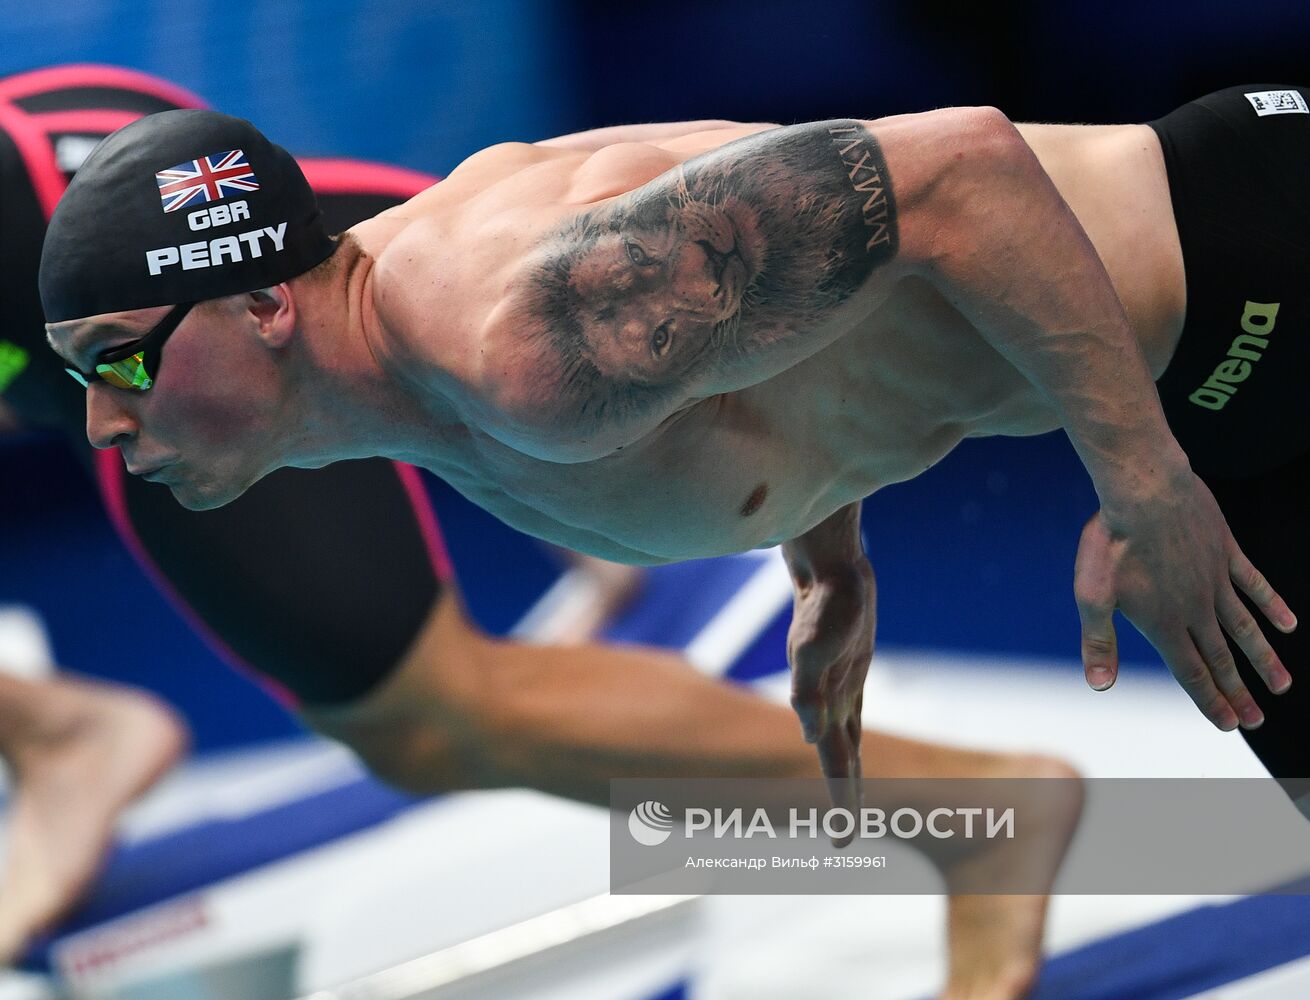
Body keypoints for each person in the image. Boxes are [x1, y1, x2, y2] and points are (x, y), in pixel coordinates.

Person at [1, 67, 1079, 1000]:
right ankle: (49, 728)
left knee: (432, 717)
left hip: (145, 296)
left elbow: (934, 170)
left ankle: (967, 809)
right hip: (104, 269)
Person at [39, 89, 1305, 813]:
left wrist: (1143, 485)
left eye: (122, 358)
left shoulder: (515, 336)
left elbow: (964, 172)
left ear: (261, 305)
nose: (103, 420)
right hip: (1213, 373)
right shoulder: (436, 387)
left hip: (1265, 247)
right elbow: (771, 336)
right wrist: (831, 557)